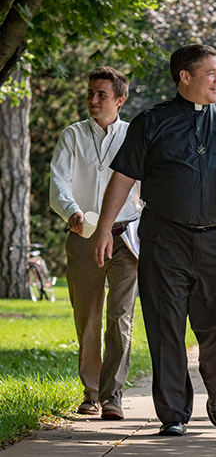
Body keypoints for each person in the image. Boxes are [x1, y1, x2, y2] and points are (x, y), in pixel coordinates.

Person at [91, 44, 216, 436]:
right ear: (185, 77)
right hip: (165, 239)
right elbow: (122, 178)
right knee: (165, 327)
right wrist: (105, 228)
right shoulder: (151, 121)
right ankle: (173, 413)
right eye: (212, 73)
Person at [50, 66, 139, 421]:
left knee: (120, 317)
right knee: (88, 318)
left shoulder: (134, 137)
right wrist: (71, 211)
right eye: (90, 93)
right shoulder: (72, 136)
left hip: (125, 239)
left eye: (102, 94)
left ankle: (112, 395)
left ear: (120, 99)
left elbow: (145, 189)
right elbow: (59, 182)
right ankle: (90, 393)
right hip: (83, 236)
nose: (93, 100)